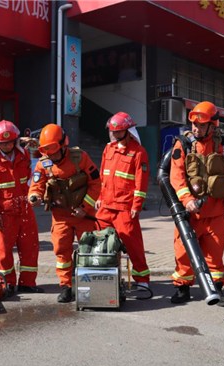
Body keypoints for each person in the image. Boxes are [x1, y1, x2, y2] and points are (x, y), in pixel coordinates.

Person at [168, 101, 224, 307]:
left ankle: (216, 287)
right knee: (183, 252)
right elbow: (176, 175)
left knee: (215, 253)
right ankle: (182, 287)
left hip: (215, 212)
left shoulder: (223, 147)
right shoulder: (183, 144)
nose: (196, 128)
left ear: (212, 125)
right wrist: (187, 200)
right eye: (194, 124)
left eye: (201, 125)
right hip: (190, 213)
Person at [28, 124, 101, 303]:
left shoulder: (80, 158)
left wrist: (85, 207)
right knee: (61, 251)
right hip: (60, 216)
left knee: (88, 250)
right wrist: (34, 196)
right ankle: (66, 286)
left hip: (83, 216)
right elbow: (36, 185)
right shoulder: (43, 163)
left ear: (63, 145)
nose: (51, 156)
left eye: (53, 152)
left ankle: (89, 285)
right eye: (48, 152)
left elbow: (96, 184)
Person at [0, 120, 41, 294]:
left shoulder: (24, 155)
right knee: (4, 252)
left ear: (15, 141)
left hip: (25, 210)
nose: (7, 146)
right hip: (5, 214)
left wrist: (36, 147)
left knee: (30, 248)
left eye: (10, 142)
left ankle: (27, 283)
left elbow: (37, 171)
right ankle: (8, 283)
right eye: (3, 143)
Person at [95, 112, 150, 288]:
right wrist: (100, 197)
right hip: (106, 207)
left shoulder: (138, 152)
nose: (114, 135)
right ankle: (107, 279)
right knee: (102, 245)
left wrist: (137, 206)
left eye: (118, 132)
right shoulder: (108, 149)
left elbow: (141, 182)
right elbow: (103, 177)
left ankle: (142, 280)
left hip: (125, 208)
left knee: (133, 245)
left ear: (128, 131)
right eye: (113, 131)